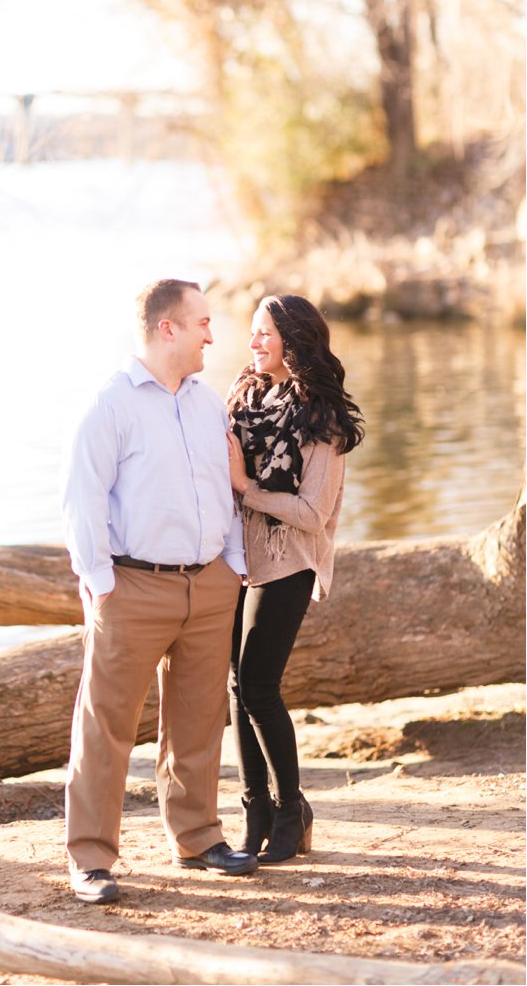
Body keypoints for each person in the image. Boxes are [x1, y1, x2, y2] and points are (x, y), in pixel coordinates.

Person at [60, 278, 255, 905]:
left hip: (210, 586)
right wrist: (100, 580)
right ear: (166, 328)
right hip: (133, 588)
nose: (211, 334)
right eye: (201, 322)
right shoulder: (110, 404)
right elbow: (82, 499)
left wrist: (231, 562)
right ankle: (91, 858)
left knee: (199, 722)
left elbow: (222, 487)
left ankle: (197, 838)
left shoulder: (206, 402)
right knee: (106, 726)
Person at [226, 294, 362, 863]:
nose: (254, 342)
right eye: (252, 332)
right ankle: (254, 811)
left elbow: (311, 513)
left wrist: (246, 487)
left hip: (290, 562)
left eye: (264, 334)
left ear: (294, 340)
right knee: (236, 687)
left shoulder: (322, 418)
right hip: (236, 559)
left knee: (259, 685)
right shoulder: (244, 399)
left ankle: (291, 811)